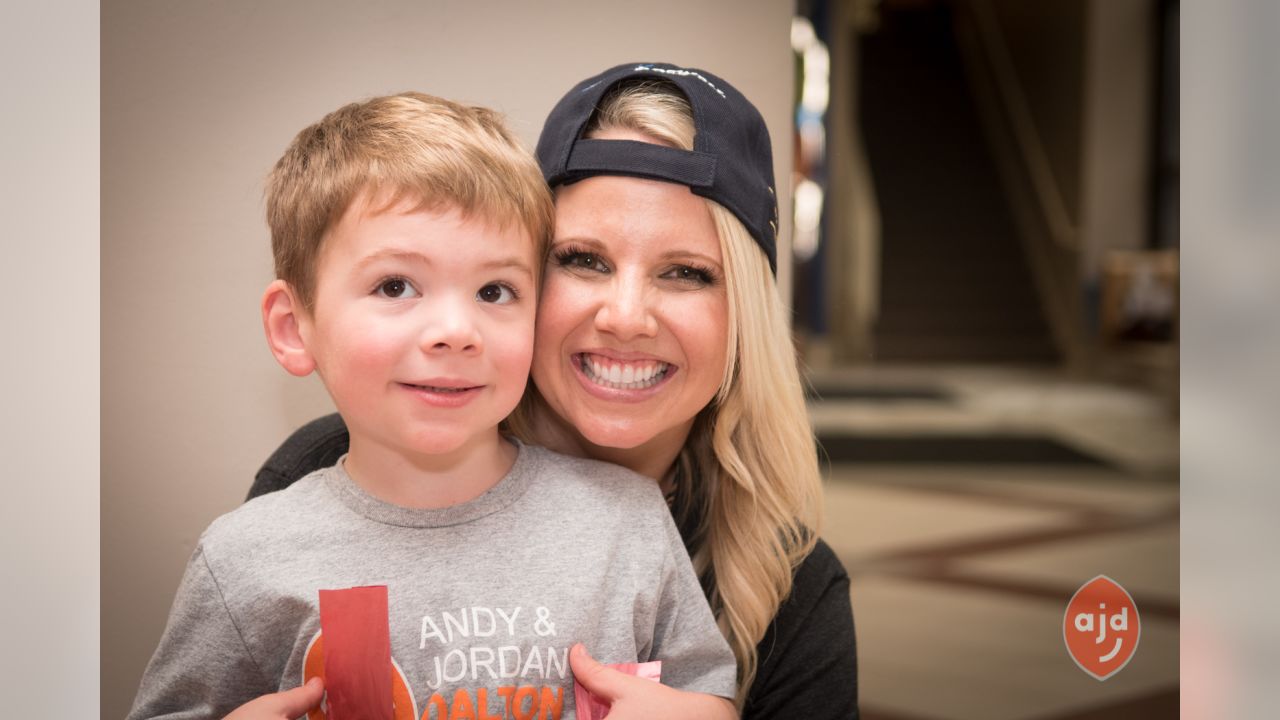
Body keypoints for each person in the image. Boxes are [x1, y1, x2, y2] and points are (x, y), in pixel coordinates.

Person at [252, 63, 860, 719]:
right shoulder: (325, 476)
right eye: (582, 260)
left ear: (744, 317)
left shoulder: (791, 587)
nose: (626, 316)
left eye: (686, 273)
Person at [127, 91, 739, 720]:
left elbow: (707, 694)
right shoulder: (244, 560)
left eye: (494, 290)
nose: (456, 329)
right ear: (293, 327)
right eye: (395, 285)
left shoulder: (626, 524)